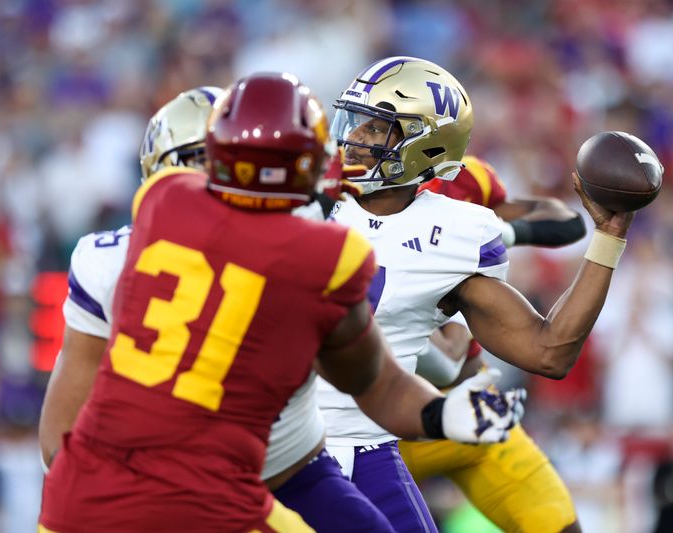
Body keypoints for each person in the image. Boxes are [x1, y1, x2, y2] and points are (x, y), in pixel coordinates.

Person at [38, 72, 524, 533]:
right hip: (207, 496)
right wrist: (442, 414)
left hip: (85, 495)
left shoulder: (164, 201)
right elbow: (376, 383)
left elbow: (56, 439)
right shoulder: (329, 258)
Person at [321, 56, 635, 533]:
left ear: (426, 148)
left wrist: (608, 235)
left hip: (419, 423)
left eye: (377, 129)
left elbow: (548, 351)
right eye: (357, 122)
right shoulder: (304, 196)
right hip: (294, 434)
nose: (355, 138)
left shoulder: (460, 226)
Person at [397, 156, 586, 533]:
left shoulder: (466, 179)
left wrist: (503, 233)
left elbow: (568, 222)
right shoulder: (347, 197)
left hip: (471, 403)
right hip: (387, 424)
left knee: (557, 526)